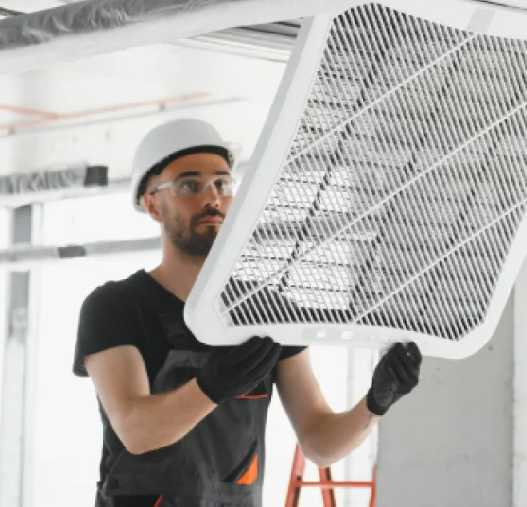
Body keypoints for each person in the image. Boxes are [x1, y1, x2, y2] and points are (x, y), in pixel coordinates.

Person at [73, 118, 422, 507]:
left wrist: (375, 403)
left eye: (222, 184)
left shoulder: (266, 312)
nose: (212, 198)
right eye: (190, 185)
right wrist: (210, 387)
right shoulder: (116, 307)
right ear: (153, 204)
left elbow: (320, 442)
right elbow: (136, 430)